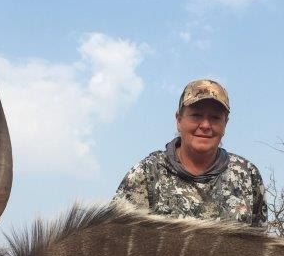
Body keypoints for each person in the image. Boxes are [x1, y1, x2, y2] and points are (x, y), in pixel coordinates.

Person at [113, 79, 267, 227]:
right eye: (196, 115)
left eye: (215, 117)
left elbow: (259, 240)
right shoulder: (147, 173)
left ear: (225, 123)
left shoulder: (248, 175)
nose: (205, 125)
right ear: (179, 120)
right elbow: (116, 236)